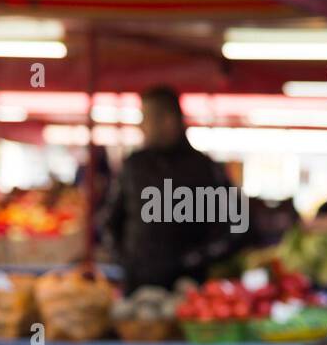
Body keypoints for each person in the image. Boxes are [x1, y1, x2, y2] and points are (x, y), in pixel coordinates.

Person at [100, 86, 238, 291]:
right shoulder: (133, 166)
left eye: (146, 118)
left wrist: (195, 259)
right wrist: (125, 260)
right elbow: (109, 221)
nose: (141, 126)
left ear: (169, 120)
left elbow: (236, 228)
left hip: (189, 290)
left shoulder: (205, 169)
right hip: (137, 287)